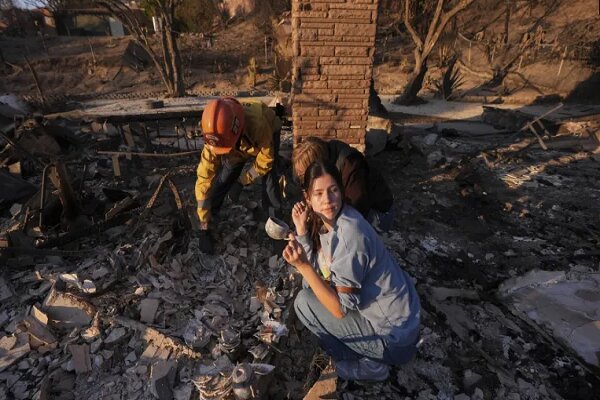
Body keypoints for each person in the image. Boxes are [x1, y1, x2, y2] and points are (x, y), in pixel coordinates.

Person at [282, 161, 420, 382]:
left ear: (342, 191)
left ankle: (371, 366)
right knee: (310, 290)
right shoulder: (336, 222)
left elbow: (339, 310)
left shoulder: (349, 235)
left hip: (394, 340)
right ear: (307, 198)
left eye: (333, 190)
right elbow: (319, 276)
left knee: (304, 303)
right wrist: (301, 230)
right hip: (401, 322)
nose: (327, 199)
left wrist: (303, 266)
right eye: (318, 193)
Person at [195, 97, 282, 254]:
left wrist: (242, 181)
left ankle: (276, 228)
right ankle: (210, 221)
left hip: (266, 135)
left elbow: (266, 160)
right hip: (235, 143)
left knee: (270, 181)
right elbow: (204, 181)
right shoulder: (214, 139)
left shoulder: (258, 125)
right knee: (225, 177)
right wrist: (203, 225)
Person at [292, 137, 394, 232]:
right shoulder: (327, 157)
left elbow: (356, 208)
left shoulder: (350, 164)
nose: (303, 181)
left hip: (376, 212)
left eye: (303, 175)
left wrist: (326, 228)